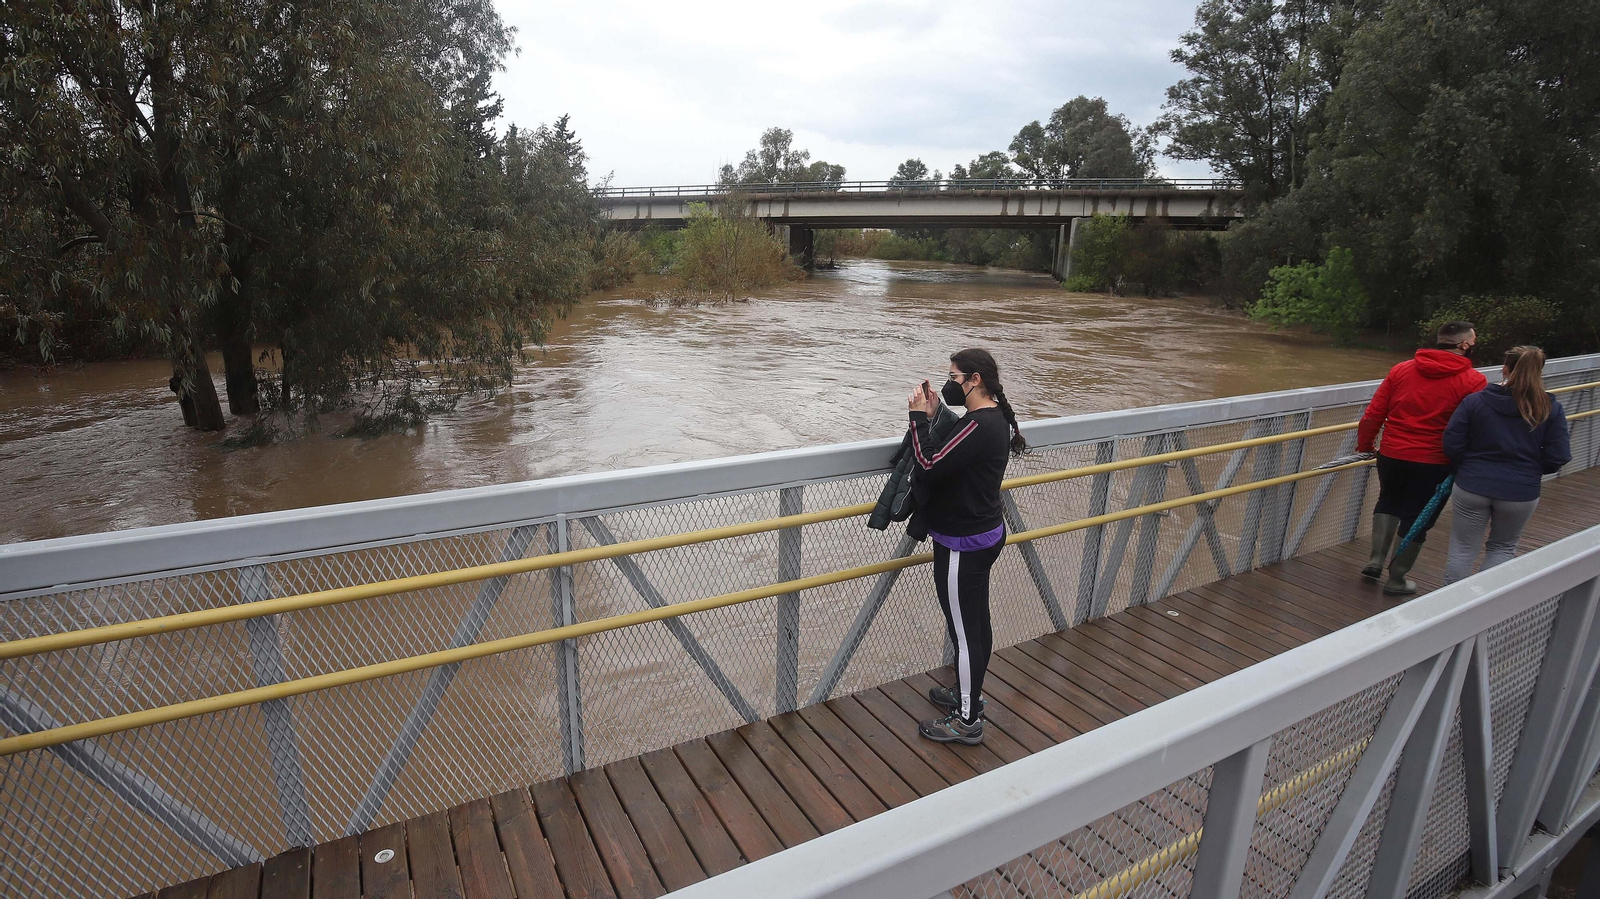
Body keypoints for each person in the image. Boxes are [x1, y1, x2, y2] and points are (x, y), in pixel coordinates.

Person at [906, 348, 1026, 745]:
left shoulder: (981, 425)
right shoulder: (993, 419)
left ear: (975, 380)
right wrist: (939, 411)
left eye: (954, 377)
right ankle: (967, 694)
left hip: (963, 542)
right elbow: (961, 446)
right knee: (976, 623)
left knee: (964, 630)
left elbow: (928, 463)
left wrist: (918, 419)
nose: (950, 382)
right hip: (983, 533)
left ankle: (967, 720)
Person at [1357, 321, 1487, 596]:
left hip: (1392, 453)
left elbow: (1373, 414)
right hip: (1435, 460)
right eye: (1473, 343)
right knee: (1418, 515)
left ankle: (1375, 560)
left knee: (1388, 500)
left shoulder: (1402, 369)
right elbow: (1473, 427)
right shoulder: (1474, 381)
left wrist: (1366, 444)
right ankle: (1397, 579)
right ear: (1464, 345)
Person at [1441, 347, 1570, 584]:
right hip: (1520, 491)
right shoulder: (1550, 408)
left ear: (1505, 368)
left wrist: (1467, 466)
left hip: (1473, 485)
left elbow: (1452, 441)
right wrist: (1531, 471)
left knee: (1462, 548)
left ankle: (1449, 607)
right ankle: (1488, 605)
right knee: (1502, 547)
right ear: (1539, 371)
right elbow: (1558, 456)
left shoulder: (1475, 401)